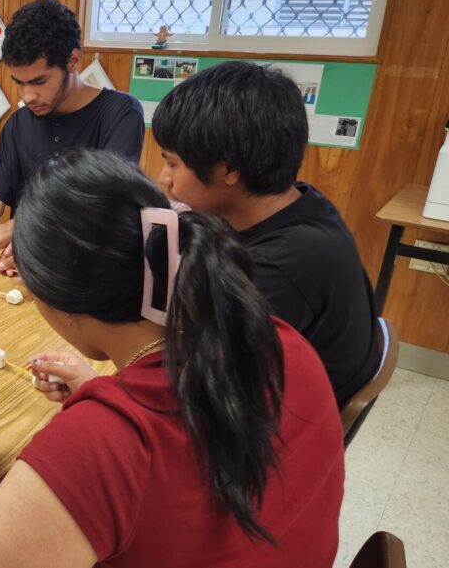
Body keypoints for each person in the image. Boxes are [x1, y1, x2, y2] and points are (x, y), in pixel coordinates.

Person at [0, 149, 344, 568]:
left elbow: (135, 454)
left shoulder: (100, 446)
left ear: (66, 308)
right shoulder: (279, 339)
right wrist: (104, 391)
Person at [152, 61, 380, 406]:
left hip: (282, 426)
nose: (163, 178)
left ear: (228, 169)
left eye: (172, 163)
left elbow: (201, 387)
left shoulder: (279, 266)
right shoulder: (300, 202)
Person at [0, 0, 144, 271]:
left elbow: (105, 206)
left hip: (88, 273)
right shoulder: (18, 123)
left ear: (73, 61)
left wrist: (18, 228)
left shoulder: (120, 114)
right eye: (19, 83)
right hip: (25, 269)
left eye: (39, 81)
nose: (27, 96)